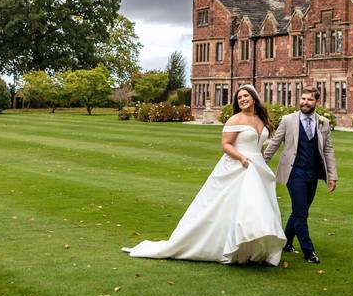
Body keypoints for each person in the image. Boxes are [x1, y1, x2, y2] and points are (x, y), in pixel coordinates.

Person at [122, 84, 286, 265]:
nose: (243, 100)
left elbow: (259, 146)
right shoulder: (234, 120)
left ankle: (250, 248)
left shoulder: (261, 120)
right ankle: (229, 247)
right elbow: (226, 145)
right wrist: (241, 158)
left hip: (257, 168)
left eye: (246, 96)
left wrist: (261, 161)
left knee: (256, 207)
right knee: (234, 206)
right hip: (238, 166)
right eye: (239, 97)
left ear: (254, 98)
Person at [263, 87, 338, 264]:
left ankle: (287, 242)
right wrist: (261, 162)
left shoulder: (323, 123)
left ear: (317, 102)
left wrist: (332, 175)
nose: (305, 102)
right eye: (303, 98)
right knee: (301, 212)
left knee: (299, 211)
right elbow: (274, 143)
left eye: (309, 100)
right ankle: (308, 251)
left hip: (313, 173)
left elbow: (328, 150)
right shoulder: (288, 120)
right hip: (293, 172)